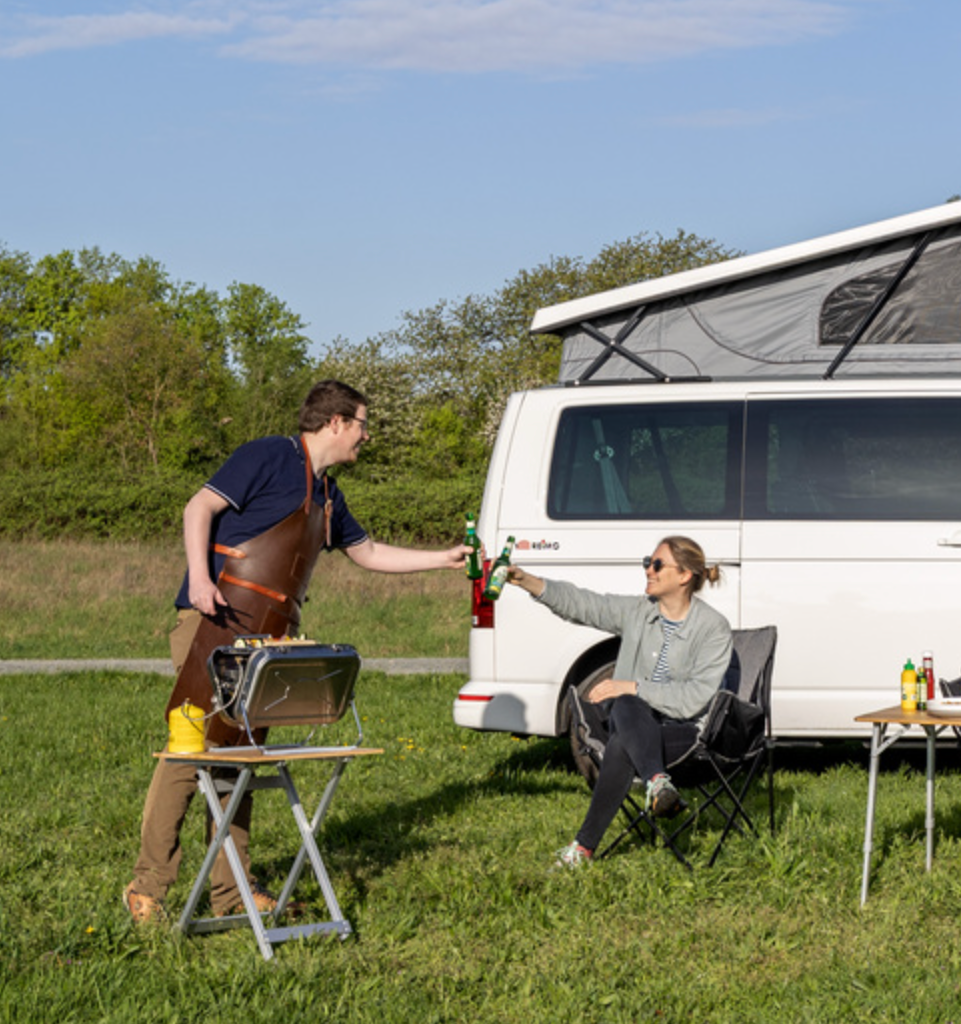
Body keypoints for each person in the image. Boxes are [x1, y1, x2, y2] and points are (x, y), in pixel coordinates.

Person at [123, 380, 469, 922]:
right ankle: (148, 888)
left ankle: (231, 892)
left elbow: (369, 553)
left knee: (238, 765)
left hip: (268, 642)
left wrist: (443, 559)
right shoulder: (267, 455)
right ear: (334, 422)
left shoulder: (330, 494)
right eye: (361, 423)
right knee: (189, 751)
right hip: (212, 624)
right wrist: (198, 578)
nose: (366, 434)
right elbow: (199, 507)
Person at [504, 535, 732, 868]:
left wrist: (632, 686)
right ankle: (658, 783)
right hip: (634, 722)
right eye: (647, 563)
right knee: (626, 708)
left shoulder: (713, 629)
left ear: (684, 575)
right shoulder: (638, 612)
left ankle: (583, 849)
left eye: (656, 565)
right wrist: (525, 580)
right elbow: (583, 604)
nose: (648, 571)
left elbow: (694, 699)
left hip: (683, 733)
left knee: (624, 728)